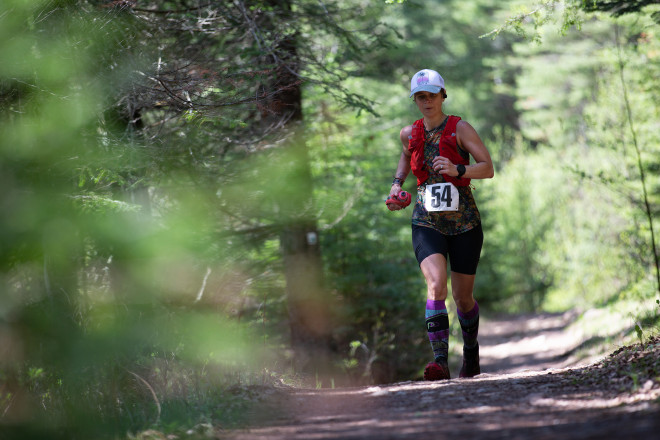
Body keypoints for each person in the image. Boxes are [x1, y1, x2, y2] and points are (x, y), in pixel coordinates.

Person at [387, 69, 494, 380]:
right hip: (426, 221)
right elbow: (406, 158)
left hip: (465, 224)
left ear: (443, 95)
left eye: (432, 95)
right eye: (421, 96)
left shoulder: (459, 127)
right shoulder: (410, 133)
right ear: (415, 100)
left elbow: (487, 168)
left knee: (463, 297)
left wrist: (457, 168)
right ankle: (440, 362)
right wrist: (396, 187)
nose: (427, 101)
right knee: (435, 285)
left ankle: (471, 352)